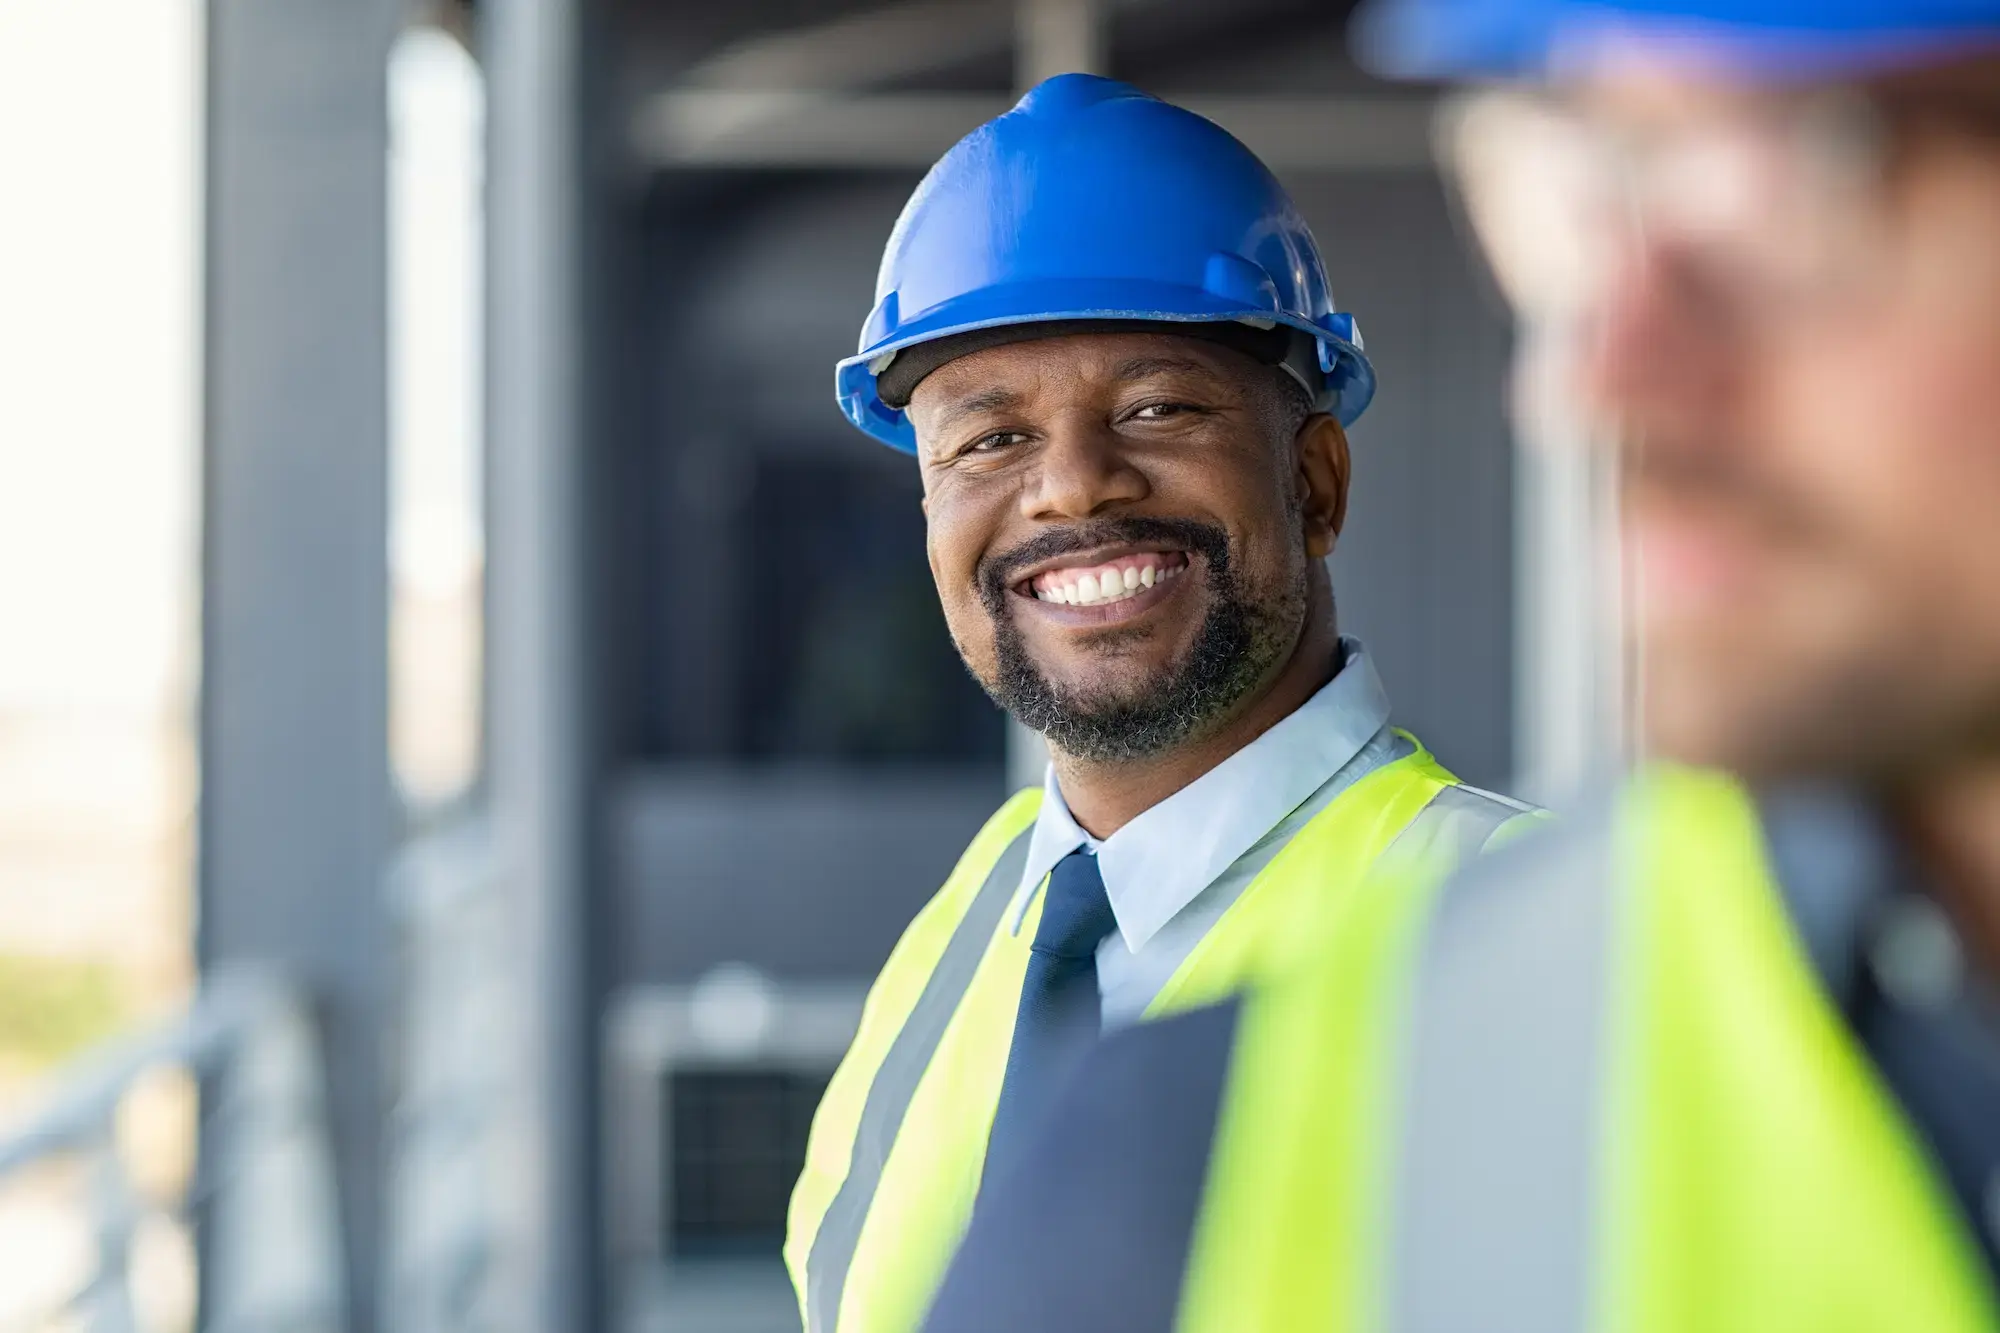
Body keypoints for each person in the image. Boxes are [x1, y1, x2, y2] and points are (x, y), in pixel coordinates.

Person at [921, 5, 2000, 1332]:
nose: (1602, 377)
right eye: (1579, 191)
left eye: (1804, 176)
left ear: (1317, 479)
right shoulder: (1191, 1166)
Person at [785, 72, 1538, 1333]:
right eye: (987, 439)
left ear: (1315, 481)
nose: (1073, 488)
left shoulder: (1518, 941)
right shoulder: (964, 935)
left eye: (1154, 407)